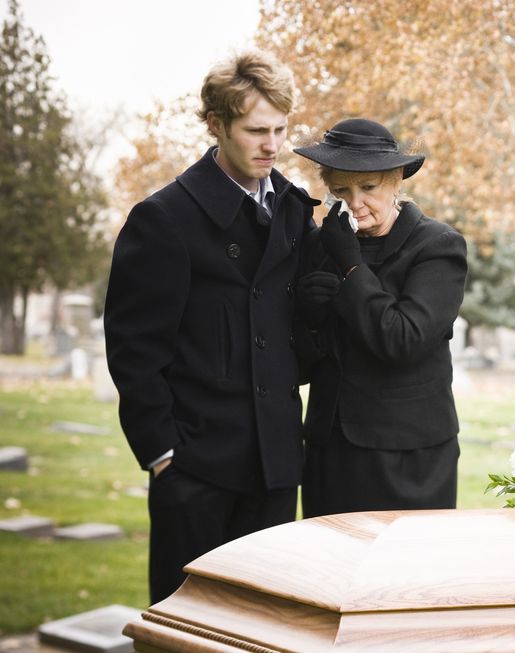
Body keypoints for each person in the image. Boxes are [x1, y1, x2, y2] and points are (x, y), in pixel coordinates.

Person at [104, 50, 318, 604]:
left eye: (280, 129)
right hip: (194, 469)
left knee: (265, 626)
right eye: (255, 130)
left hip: (274, 466)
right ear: (217, 125)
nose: (272, 145)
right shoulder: (164, 219)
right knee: (187, 629)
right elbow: (133, 350)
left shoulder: (296, 211)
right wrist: (162, 454)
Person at [292, 118, 467, 517]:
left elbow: (402, 340)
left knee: (405, 574)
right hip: (331, 450)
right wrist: (309, 315)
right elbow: (300, 363)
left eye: (368, 188)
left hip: (409, 455)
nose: (354, 202)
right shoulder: (321, 244)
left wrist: (351, 268)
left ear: (396, 182)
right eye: (341, 190)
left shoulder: (437, 246)